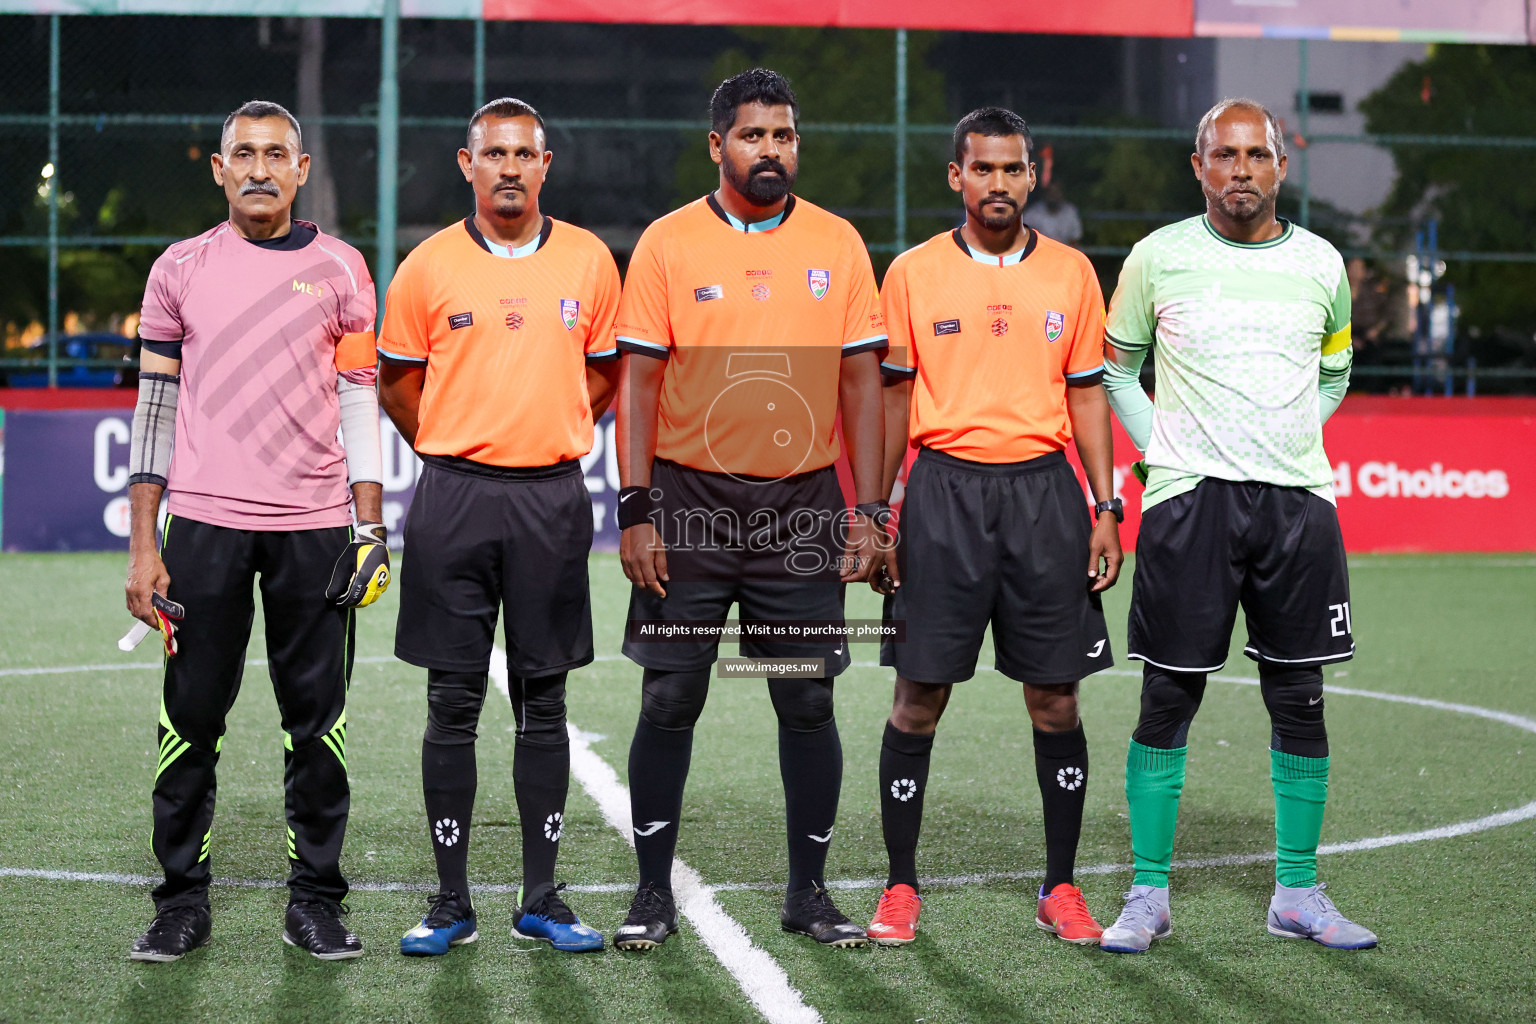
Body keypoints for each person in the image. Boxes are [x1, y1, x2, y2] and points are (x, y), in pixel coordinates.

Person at [611, 68, 886, 951]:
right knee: (670, 698)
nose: (772, 150)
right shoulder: (666, 243)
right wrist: (636, 509)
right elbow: (639, 386)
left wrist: (870, 510)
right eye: (754, 135)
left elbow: (861, 385)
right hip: (689, 503)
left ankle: (809, 894)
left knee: (807, 704)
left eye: (785, 135)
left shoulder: (838, 243)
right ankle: (652, 894)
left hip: (803, 506)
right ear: (717, 145)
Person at [1097, 98, 1374, 953]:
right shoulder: (1158, 257)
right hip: (1192, 503)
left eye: (1257, 155)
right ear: (1199, 165)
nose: (1241, 170)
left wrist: (1288, 438)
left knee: (1300, 698)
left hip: (1297, 503)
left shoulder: (1324, 264)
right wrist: (1170, 454)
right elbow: (1116, 370)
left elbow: (1336, 372)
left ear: (1281, 166)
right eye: (1225, 155)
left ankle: (1297, 890)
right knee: (1167, 696)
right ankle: (1148, 894)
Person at [124, 100, 385, 962]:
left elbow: (358, 401)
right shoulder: (179, 269)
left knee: (317, 726)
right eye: (245, 154)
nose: (261, 168)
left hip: (314, 529)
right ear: (220, 167)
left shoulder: (345, 270)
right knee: (189, 719)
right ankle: (179, 903)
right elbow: (154, 409)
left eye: (278, 154)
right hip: (201, 528)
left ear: (301, 171)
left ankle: (313, 899)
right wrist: (143, 542)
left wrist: (371, 523)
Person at [867, 107, 1122, 947]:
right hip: (942, 494)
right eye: (984, 170)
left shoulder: (1074, 274)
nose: (1000, 185)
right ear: (957, 176)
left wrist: (1105, 505)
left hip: (1047, 497)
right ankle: (901, 885)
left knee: (1055, 697)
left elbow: (1086, 391)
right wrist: (877, 514)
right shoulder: (910, 273)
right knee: (917, 698)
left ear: (1031, 176)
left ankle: (1060, 886)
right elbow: (894, 396)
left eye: (1014, 170)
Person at [377, 98, 621, 956]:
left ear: (545, 164)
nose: (510, 167)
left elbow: (604, 379)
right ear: (466, 163)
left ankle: (542, 897)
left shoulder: (591, 261)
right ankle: (450, 902)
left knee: (543, 699)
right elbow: (398, 387)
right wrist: (459, 443)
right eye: (495, 154)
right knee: (452, 702)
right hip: (452, 497)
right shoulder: (427, 266)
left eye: (525, 153)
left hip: (552, 497)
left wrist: (539, 429)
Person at [1021, 181, 1083, 247]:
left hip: (1064, 253)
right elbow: (1023, 239)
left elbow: (1074, 241)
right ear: (1044, 194)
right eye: (1050, 192)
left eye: (1056, 192)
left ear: (1062, 193)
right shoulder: (1032, 213)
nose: (1053, 195)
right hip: (1039, 253)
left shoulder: (1070, 212)